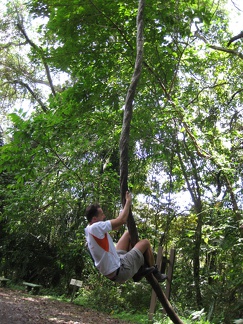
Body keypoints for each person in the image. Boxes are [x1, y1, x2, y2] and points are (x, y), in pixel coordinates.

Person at [85, 191, 167, 284]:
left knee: (128, 234)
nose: (104, 216)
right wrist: (128, 201)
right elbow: (123, 220)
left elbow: (117, 225)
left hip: (115, 264)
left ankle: (138, 271)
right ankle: (156, 272)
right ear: (94, 219)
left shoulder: (89, 229)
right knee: (145, 243)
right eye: (102, 214)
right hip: (120, 271)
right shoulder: (95, 227)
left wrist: (124, 208)